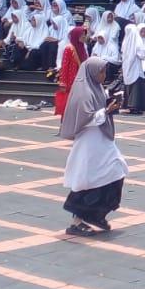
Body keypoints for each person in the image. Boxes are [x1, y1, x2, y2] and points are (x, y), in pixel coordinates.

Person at [56, 55, 125, 235]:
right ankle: (77, 222)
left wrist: (110, 105)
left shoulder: (97, 88)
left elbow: (100, 108)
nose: (103, 75)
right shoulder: (84, 92)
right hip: (89, 142)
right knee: (86, 180)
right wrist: (106, 111)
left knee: (116, 171)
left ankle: (96, 214)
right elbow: (86, 118)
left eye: (104, 71)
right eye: (101, 71)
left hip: (102, 140)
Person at [54, 27, 89, 117]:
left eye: (84, 35)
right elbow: (65, 66)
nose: (84, 37)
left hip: (81, 80)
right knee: (69, 106)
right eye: (82, 35)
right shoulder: (69, 49)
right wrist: (63, 83)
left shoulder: (83, 48)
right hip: (71, 81)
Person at [120, 22, 145, 115]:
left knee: (130, 85)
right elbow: (141, 55)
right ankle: (137, 106)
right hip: (136, 67)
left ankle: (130, 105)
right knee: (137, 86)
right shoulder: (138, 40)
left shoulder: (125, 42)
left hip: (127, 67)